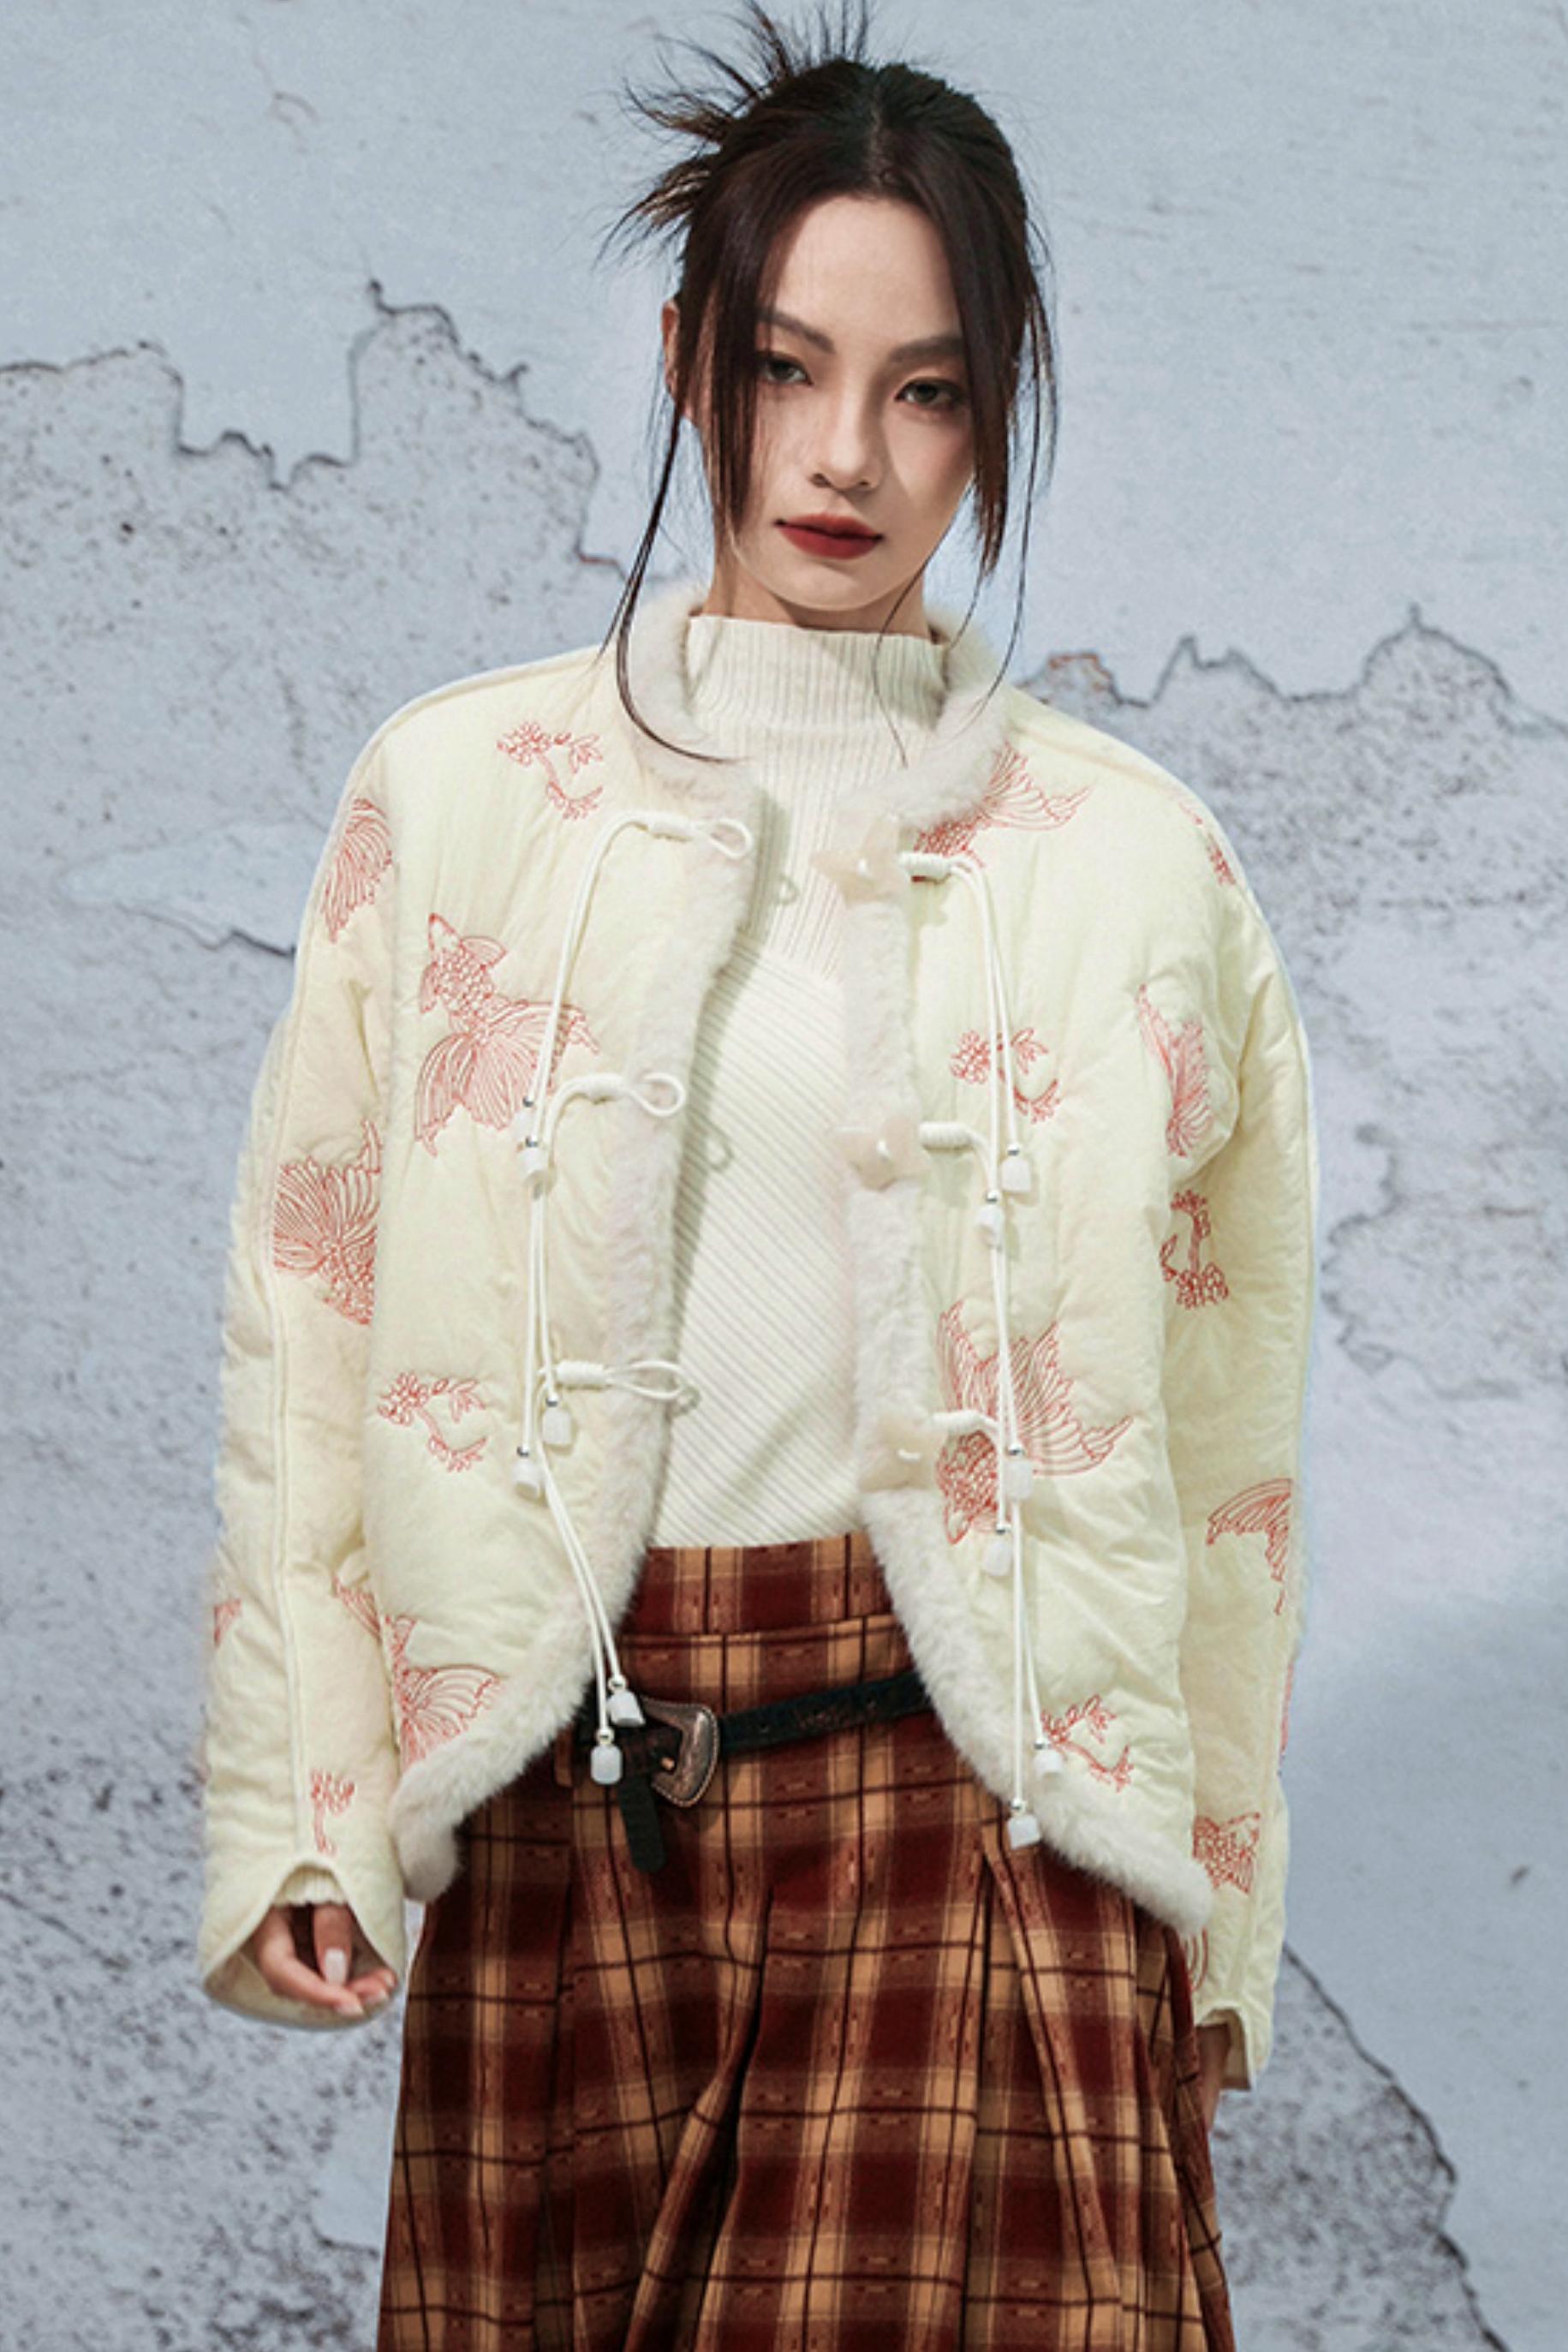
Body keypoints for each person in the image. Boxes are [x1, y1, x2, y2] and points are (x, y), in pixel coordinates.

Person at [195, 3, 1318, 2343]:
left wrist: (1213, 1897)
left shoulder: (1137, 865)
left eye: (927, 391)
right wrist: (302, 1803)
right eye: (788, 367)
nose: (844, 455)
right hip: (567, 1799)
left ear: (994, 416)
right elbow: (315, 1315)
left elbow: (1227, 1450)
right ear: (692, 360)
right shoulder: (460, 797)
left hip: (990, 1808)